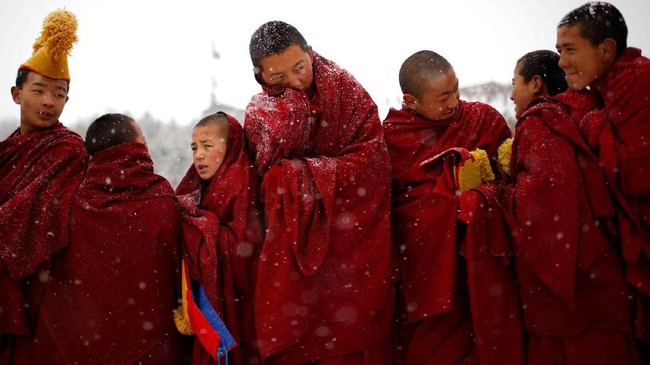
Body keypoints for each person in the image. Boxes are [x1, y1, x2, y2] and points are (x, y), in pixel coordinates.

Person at [244, 20, 395, 364]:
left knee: (351, 329)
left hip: (351, 239)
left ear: (311, 53)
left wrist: (304, 175)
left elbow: (373, 163)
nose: (295, 82)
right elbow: (264, 182)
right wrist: (293, 117)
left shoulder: (345, 90)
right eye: (279, 78)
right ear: (261, 77)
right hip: (294, 246)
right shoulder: (261, 111)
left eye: (300, 68)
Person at [10, 113, 192, 364]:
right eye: (143, 140)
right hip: (151, 350)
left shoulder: (66, 202)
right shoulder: (160, 199)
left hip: (77, 350)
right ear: (134, 148)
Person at [382, 50, 524, 364]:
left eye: (456, 89)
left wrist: (478, 194)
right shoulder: (393, 137)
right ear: (411, 101)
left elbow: (512, 178)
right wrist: (447, 196)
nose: (454, 101)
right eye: (444, 96)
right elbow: (391, 206)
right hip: (425, 271)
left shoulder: (482, 119)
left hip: (478, 261)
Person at [507, 49, 637, 364]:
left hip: (573, 280)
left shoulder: (541, 121)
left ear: (536, 84)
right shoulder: (590, 110)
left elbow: (542, 203)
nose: (511, 95)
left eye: (515, 84)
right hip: (606, 264)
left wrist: (498, 192)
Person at [556, 1, 650, 358]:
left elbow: (637, 176)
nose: (562, 62)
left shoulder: (638, 80)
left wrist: (592, 125)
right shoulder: (600, 87)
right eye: (559, 51)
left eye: (570, 50)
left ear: (607, 49)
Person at [0, 9, 88, 362]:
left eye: (59, 93)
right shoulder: (7, 151)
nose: (49, 101)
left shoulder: (68, 149)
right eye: (39, 90)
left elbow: (34, 210)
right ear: (16, 94)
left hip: (39, 285)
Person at [174, 112, 263, 365]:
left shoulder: (240, 183)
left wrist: (198, 227)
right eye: (194, 148)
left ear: (231, 145)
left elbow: (242, 248)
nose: (198, 155)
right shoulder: (203, 186)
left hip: (240, 304)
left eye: (207, 146)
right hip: (215, 299)